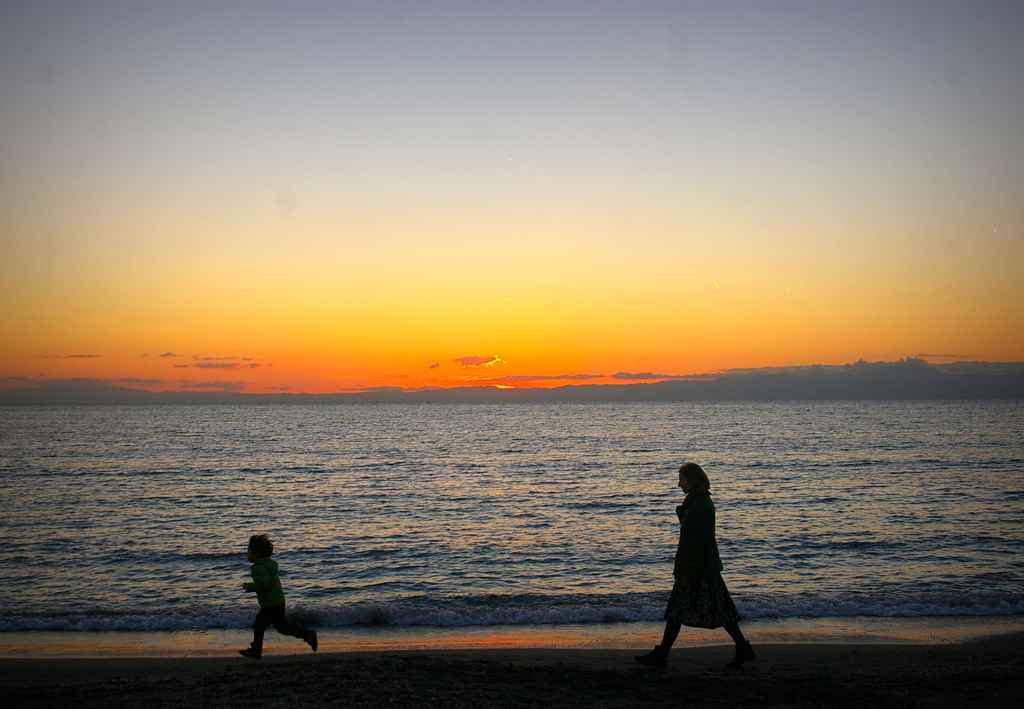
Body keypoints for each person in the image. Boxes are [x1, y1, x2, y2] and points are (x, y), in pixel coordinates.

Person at [635, 462, 755, 668]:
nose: (678, 484)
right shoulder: (695, 501)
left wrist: (687, 556)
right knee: (700, 609)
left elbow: (704, 537)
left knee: (685, 610)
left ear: (692, 480)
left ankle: (662, 654)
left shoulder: (702, 503)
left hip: (698, 567)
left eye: (681, 479)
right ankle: (742, 648)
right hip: (698, 566)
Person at [239, 534, 318, 659]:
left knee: (260, 625)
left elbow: (264, 584)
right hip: (275, 601)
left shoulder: (260, 567)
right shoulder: (268, 565)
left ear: (256, 554)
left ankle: (256, 650)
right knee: (281, 627)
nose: (247, 553)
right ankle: (307, 634)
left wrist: (249, 587)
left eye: (248, 551)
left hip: (272, 603)